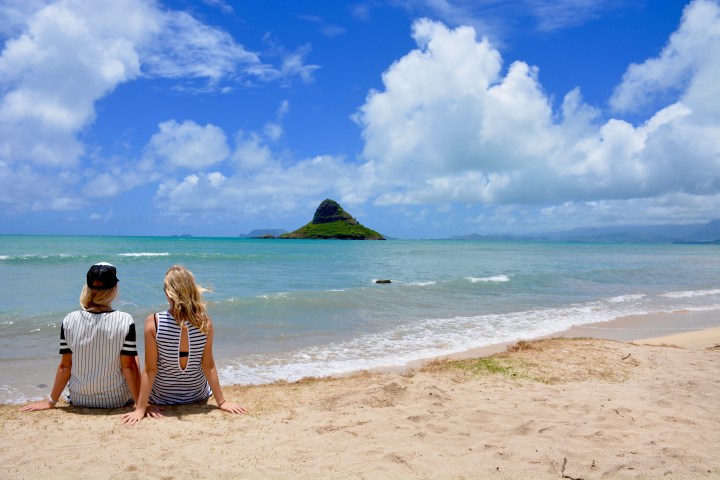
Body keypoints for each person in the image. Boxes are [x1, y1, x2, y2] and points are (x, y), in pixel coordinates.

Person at [122, 265, 246, 424]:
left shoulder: (153, 323)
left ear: (168, 293)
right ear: (192, 290)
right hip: (197, 395)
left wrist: (140, 408)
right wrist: (221, 402)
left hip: (162, 397)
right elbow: (208, 365)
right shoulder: (205, 323)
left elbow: (151, 369)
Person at [21, 263, 140, 411]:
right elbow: (128, 367)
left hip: (79, 398)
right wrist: (139, 404)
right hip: (116, 399)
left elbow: (65, 366)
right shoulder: (125, 320)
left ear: (88, 287)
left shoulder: (69, 319)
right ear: (115, 288)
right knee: (133, 358)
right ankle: (136, 398)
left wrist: (51, 402)